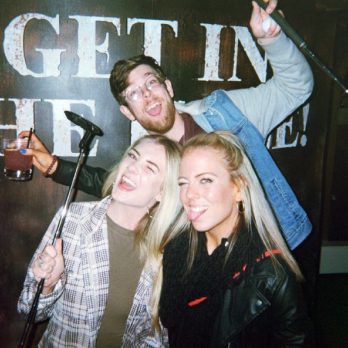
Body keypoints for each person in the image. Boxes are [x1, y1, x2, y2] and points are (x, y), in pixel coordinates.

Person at [20, 0, 314, 251]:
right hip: (214, 272)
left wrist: (272, 41)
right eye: (134, 93)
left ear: (168, 87)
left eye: (151, 82)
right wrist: (53, 166)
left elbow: (296, 88)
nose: (147, 94)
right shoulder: (149, 159)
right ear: (128, 112)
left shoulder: (226, 112)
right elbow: (107, 183)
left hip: (275, 251)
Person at [18, 134, 182, 347]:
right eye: (133, 156)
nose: (132, 168)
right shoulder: (74, 220)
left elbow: (157, 334)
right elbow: (28, 309)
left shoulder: (167, 247)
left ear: (162, 191)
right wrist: (48, 285)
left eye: (150, 168)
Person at [159, 131, 312, 347]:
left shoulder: (271, 274)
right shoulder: (177, 248)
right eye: (183, 183)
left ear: (238, 188)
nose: (189, 194)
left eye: (205, 180)